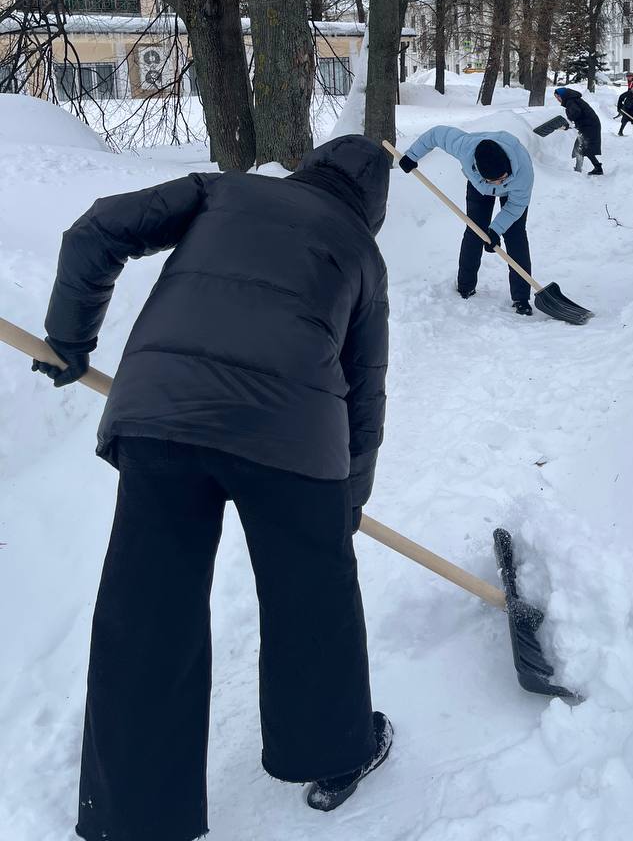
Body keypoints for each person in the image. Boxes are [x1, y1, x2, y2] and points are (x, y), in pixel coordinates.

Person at [31, 135, 394, 840]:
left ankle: (132, 812)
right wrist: (344, 506)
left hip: (163, 418)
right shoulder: (359, 253)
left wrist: (70, 338)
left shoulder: (222, 189)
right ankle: (333, 754)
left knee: (148, 614)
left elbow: (97, 228)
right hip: (293, 439)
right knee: (311, 601)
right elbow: (364, 397)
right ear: (371, 205)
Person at [398, 127, 534, 316]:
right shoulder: (464, 146)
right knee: (474, 231)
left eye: (500, 179)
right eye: (491, 180)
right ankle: (465, 286)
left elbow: (515, 207)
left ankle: (521, 298)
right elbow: (436, 134)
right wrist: (412, 155)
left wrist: (495, 230)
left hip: (513, 191)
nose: (496, 185)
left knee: (515, 235)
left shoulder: (522, 173)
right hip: (478, 187)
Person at [554, 87, 603, 175]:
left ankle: (581, 169)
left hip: (590, 126)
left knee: (581, 147)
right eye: (556, 98)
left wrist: (568, 123)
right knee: (582, 147)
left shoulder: (570, 101)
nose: (557, 99)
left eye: (558, 97)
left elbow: (576, 113)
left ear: (563, 95)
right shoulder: (572, 100)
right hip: (588, 125)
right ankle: (595, 167)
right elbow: (577, 115)